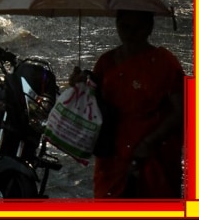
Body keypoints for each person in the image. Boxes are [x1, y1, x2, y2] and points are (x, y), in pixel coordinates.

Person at [70, 10, 184, 198]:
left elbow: (180, 111)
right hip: (112, 158)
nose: (130, 34)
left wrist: (150, 141)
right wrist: (78, 85)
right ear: (117, 25)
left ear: (149, 28)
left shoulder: (165, 63)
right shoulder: (106, 63)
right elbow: (91, 105)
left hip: (153, 156)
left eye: (137, 28)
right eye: (125, 27)